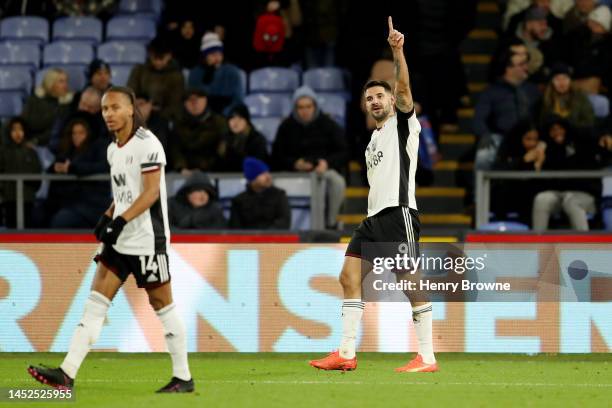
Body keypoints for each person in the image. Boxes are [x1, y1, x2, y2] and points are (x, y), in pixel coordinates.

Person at [27, 86, 194, 393]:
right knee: (94, 304)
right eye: (105, 109)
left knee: (162, 305)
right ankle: (66, 374)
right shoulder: (112, 148)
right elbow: (123, 195)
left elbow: (150, 193)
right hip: (120, 240)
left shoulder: (149, 144)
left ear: (131, 109)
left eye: (115, 107)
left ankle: (183, 376)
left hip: (147, 240)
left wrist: (120, 221)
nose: (109, 114)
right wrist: (108, 216)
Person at [309, 17, 437, 373]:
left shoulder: (402, 124)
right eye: (369, 99)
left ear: (391, 99)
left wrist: (398, 52)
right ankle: (346, 353)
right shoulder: (373, 140)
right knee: (348, 277)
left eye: (380, 95)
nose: (374, 101)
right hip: (373, 220)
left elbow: (407, 89)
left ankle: (427, 356)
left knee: (409, 281)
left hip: (398, 214)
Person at [272, 85, 348, 228]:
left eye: (308, 106)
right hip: (293, 172)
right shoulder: (286, 127)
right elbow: (276, 156)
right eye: (300, 107)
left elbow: (343, 152)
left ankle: (331, 223)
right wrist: (294, 163)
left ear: (315, 106)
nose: (305, 111)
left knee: (337, 182)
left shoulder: (329, 124)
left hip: (323, 169)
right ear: (295, 108)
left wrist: (326, 163)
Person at [473, 50, 540, 170]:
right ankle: (481, 187)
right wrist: (485, 134)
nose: (526, 67)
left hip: (531, 138)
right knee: (486, 146)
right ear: (508, 68)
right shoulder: (491, 92)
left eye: (526, 64)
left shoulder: (533, 90)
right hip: (502, 138)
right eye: (521, 64)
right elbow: (479, 120)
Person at [44, 118, 110, 228]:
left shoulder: (97, 148)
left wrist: (72, 168)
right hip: (71, 203)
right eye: (74, 133)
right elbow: (54, 166)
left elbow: (102, 166)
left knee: (60, 221)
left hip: (93, 204)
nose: (76, 136)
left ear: (88, 134)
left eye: (81, 133)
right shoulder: (68, 151)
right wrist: (55, 168)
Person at [127, 36, 185, 121]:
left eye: (161, 58)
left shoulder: (176, 76)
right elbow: (129, 93)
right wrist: (137, 102)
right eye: (154, 58)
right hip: (138, 112)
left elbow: (175, 105)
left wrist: (153, 109)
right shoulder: (139, 70)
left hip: (163, 117)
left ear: (169, 56)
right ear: (150, 55)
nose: (157, 62)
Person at [171, 88, 227, 173]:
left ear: (205, 100)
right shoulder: (178, 124)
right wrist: (181, 168)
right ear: (185, 104)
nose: (194, 104)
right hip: (184, 172)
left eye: (197, 100)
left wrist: (204, 169)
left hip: (213, 171)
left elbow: (221, 150)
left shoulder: (219, 122)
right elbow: (175, 149)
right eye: (190, 100)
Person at [188, 32, 244, 115]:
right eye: (212, 54)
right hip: (202, 116)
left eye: (219, 54)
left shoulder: (232, 72)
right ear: (205, 56)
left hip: (226, 116)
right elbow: (192, 99)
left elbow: (237, 100)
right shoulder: (195, 73)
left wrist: (225, 114)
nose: (217, 57)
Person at [0, 117, 41, 228]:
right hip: (9, 199)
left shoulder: (31, 152)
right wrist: (4, 191)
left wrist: (30, 189)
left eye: (20, 129)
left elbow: (38, 176)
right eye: (14, 130)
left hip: (27, 199)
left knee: (27, 231)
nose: (18, 133)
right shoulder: (3, 152)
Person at [229, 157, 290, 229]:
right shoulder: (239, 201)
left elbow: (284, 221)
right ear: (252, 179)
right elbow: (235, 228)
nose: (268, 176)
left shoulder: (279, 195)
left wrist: (265, 237)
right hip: (247, 239)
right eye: (262, 174)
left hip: (273, 239)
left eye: (267, 172)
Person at [21, 68, 73, 146]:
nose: (65, 85)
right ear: (50, 83)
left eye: (66, 81)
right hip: (27, 139)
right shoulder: (34, 98)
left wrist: (35, 141)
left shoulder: (66, 103)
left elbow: (56, 130)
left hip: (50, 144)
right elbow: (23, 121)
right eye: (61, 81)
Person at [538, 63, 595, 129]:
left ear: (570, 80)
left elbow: (589, 122)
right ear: (552, 82)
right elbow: (542, 123)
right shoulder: (546, 99)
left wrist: (569, 126)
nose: (562, 82)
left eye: (565, 78)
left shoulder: (580, 97)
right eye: (557, 79)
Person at [218, 104, 269, 171]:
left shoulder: (257, 139)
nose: (235, 123)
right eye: (232, 118)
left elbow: (256, 165)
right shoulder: (224, 139)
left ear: (247, 121)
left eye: (240, 119)